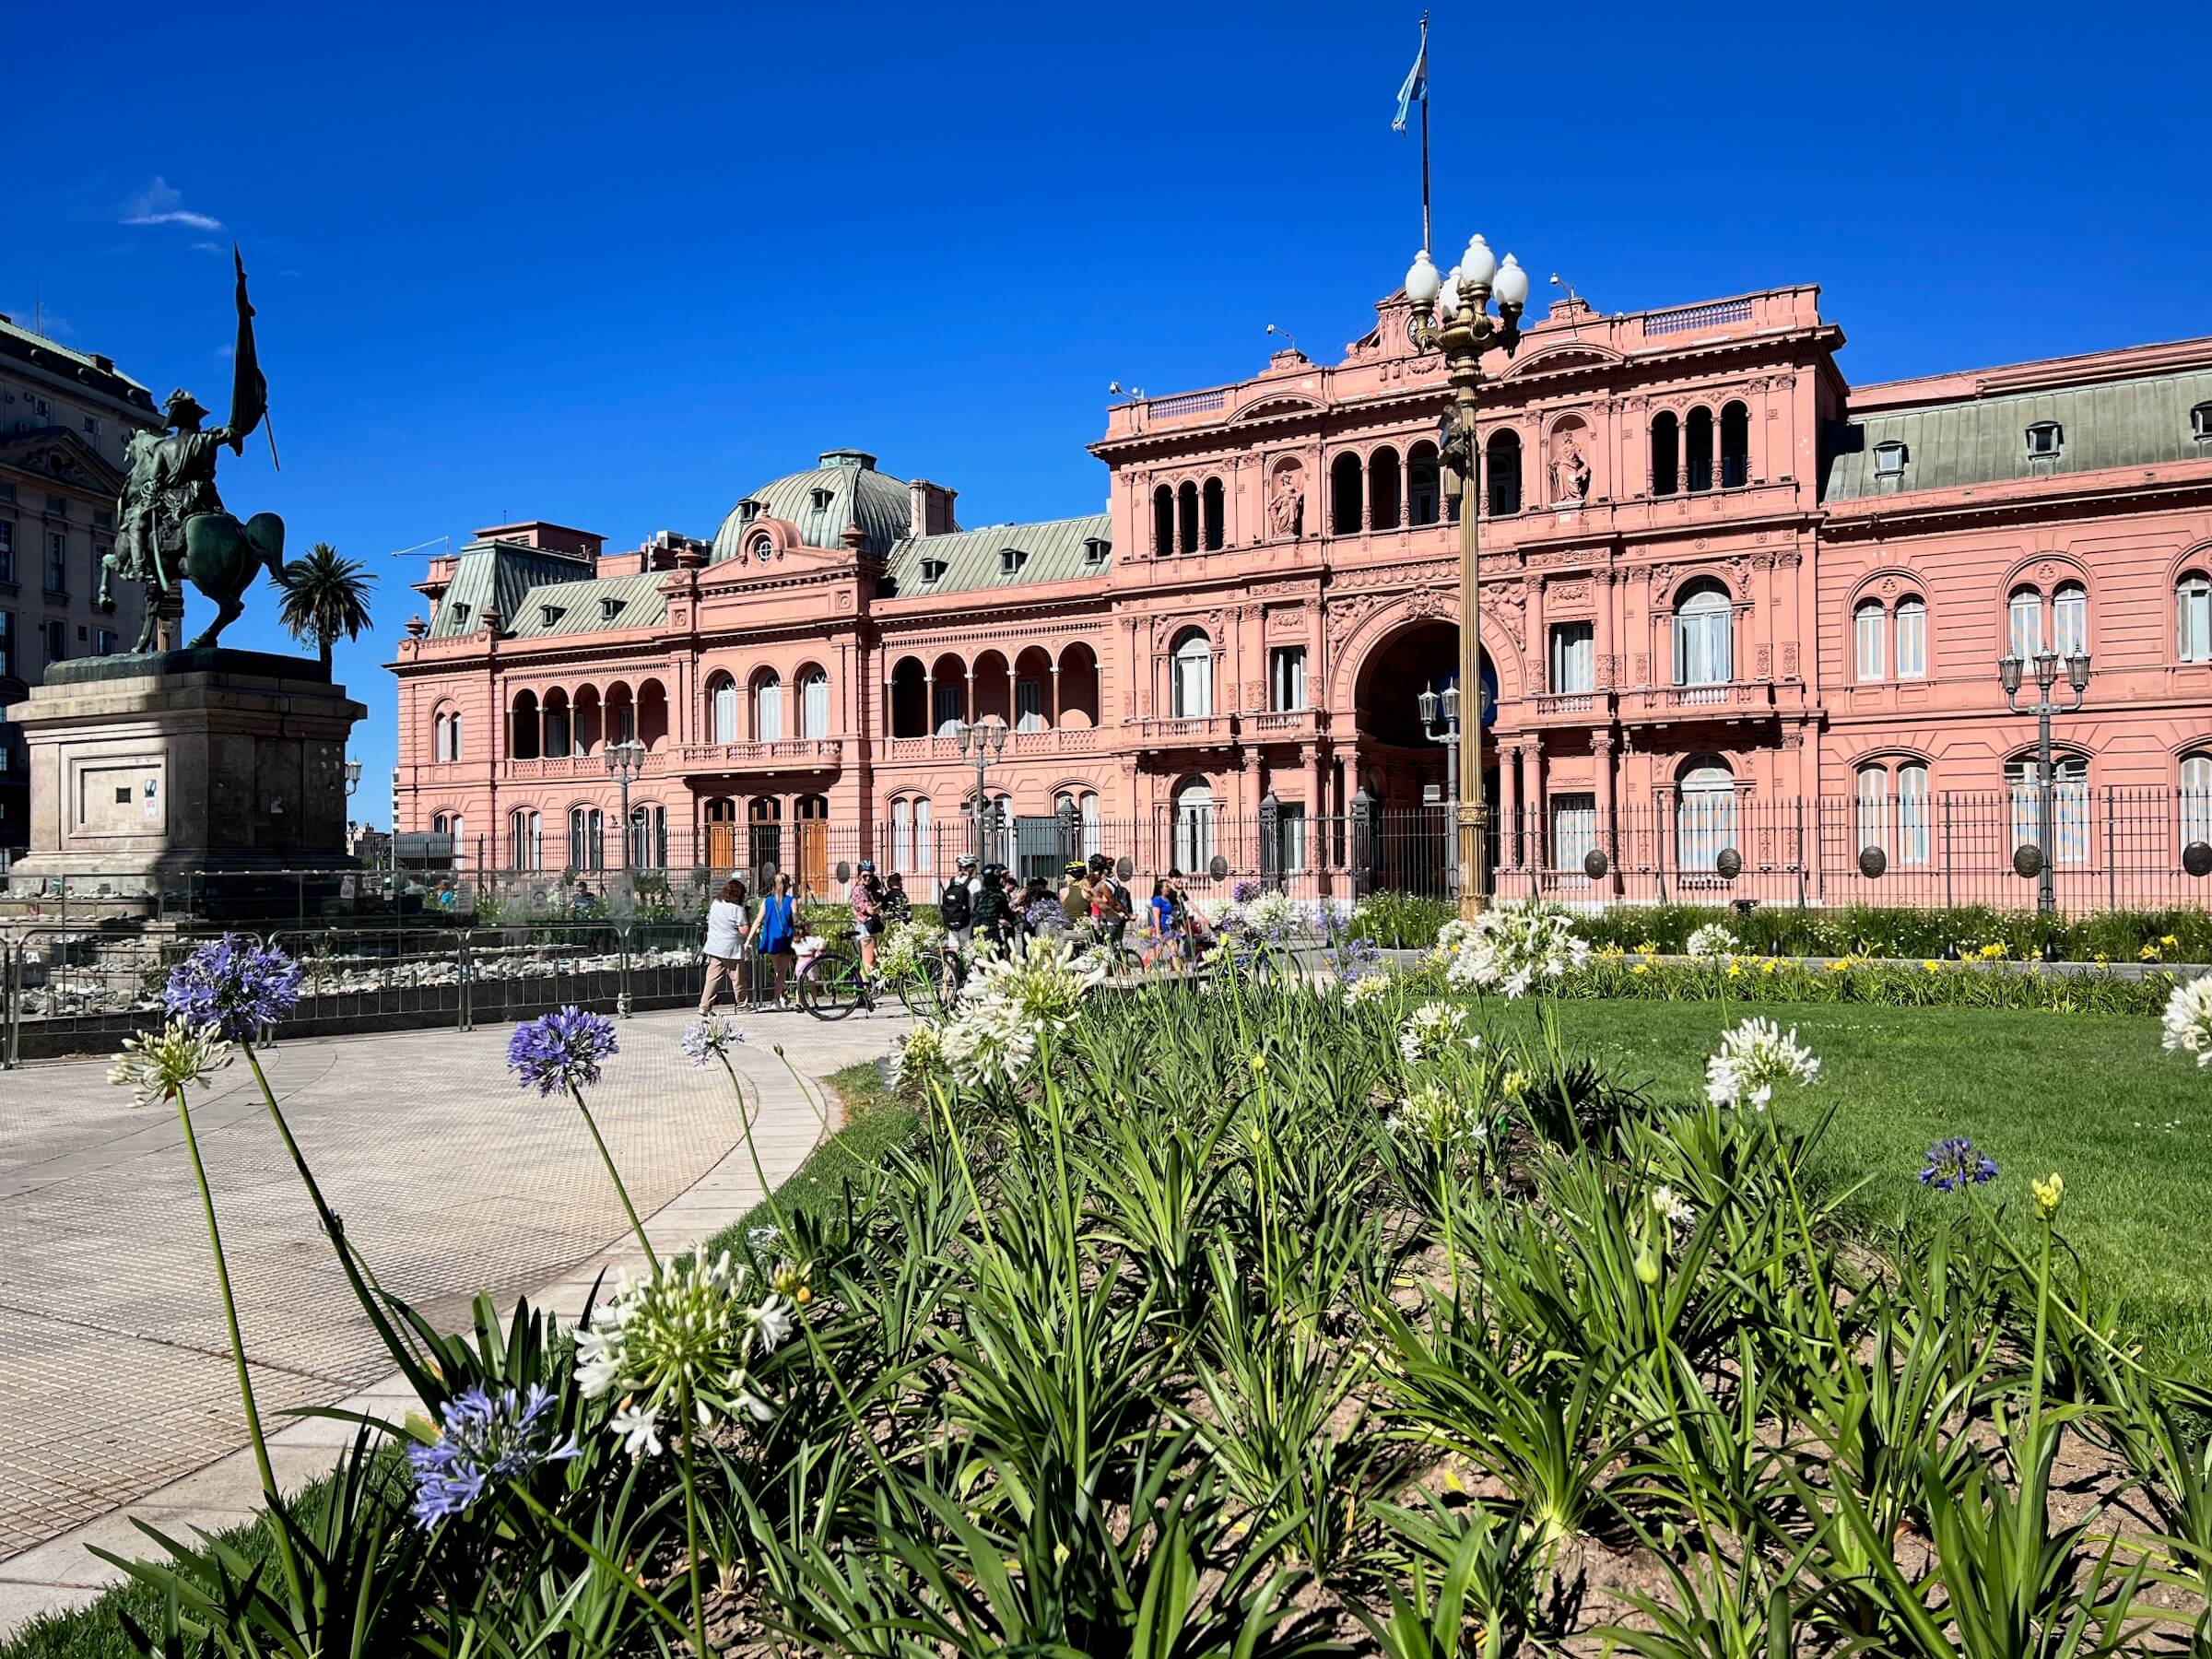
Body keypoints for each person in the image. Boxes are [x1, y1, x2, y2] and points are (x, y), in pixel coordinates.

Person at [699, 877, 748, 1015]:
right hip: (732, 949)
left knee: (712, 978)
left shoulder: (716, 904)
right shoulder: (738, 910)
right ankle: (741, 1006)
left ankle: (704, 1006)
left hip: (715, 947)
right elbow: (744, 931)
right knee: (738, 979)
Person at [747, 871, 797, 1003]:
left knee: (777, 971)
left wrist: (748, 939)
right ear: (787, 887)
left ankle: (781, 995)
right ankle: (776, 999)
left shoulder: (767, 901)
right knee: (782, 972)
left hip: (771, 939)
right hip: (786, 938)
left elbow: (758, 920)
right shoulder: (791, 901)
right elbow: (796, 919)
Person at [939, 852, 980, 992]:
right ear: (971, 867)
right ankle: (972, 987)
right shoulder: (975, 883)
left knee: (953, 954)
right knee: (971, 954)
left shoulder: (952, 881)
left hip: (952, 924)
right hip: (968, 923)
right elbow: (976, 904)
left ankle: (944, 988)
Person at [851, 861, 885, 978]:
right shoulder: (859, 890)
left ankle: (862, 989)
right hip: (864, 927)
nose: (868, 878)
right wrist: (878, 907)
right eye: (865, 875)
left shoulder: (868, 890)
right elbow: (870, 910)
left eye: (870, 875)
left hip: (869, 927)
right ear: (859, 875)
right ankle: (862, 990)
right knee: (868, 962)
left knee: (872, 961)